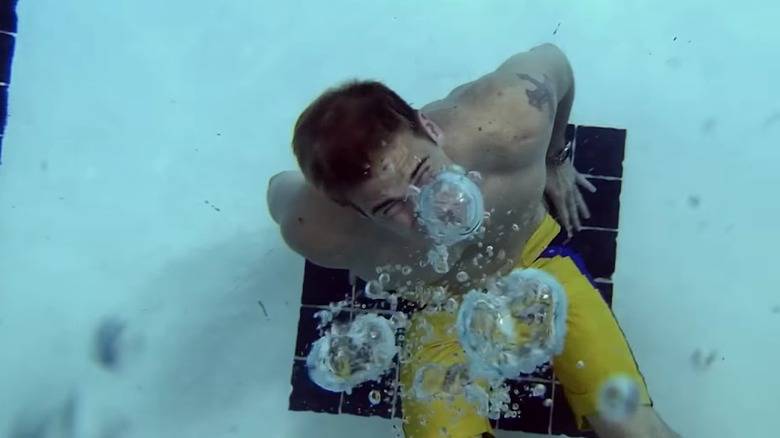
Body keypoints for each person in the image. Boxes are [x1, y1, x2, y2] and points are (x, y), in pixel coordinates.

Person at [268, 43, 681, 438]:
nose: (431, 210)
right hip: (439, 308)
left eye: (422, 172)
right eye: (389, 207)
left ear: (430, 128)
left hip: (535, 259)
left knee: (635, 428)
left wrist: (555, 158)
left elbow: (557, 63)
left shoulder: (508, 118)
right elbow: (278, 188)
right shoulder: (316, 229)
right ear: (352, 210)